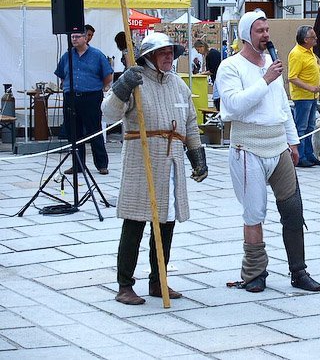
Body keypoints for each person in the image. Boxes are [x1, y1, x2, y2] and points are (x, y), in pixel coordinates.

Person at [215, 9, 320, 293]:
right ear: (246, 35)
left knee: (293, 208)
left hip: (278, 144)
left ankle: (299, 271)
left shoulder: (271, 65)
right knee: (254, 213)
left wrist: (293, 141)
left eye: (267, 30)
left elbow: (282, 105)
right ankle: (254, 273)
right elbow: (234, 105)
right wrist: (265, 80)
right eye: (259, 31)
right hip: (247, 146)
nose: (266, 35)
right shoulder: (230, 67)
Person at [102, 32, 208, 305]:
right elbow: (109, 113)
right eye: (162, 52)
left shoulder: (179, 85)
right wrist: (122, 86)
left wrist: (197, 157)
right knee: (135, 222)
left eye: (171, 52)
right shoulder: (135, 81)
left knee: (166, 223)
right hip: (142, 160)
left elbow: (190, 124)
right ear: (148, 56)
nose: (169, 56)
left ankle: (158, 280)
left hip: (171, 162)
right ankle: (125, 285)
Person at [54, 31, 112, 175]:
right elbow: (62, 75)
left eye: (77, 36)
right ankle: (78, 164)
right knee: (73, 132)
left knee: (94, 130)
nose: (74, 39)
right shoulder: (67, 56)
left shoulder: (97, 55)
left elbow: (108, 76)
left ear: (85, 38)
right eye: (72, 37)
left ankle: (101, 164)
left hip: (91, 97)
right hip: (71, 98)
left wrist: (96, 87)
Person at [288, 25, 320, 167]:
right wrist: (310, 87)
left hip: (312, 95)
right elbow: (292, 77)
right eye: (313, 37)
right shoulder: (296, 53)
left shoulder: (309, 51)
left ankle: (309, 154)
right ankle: (300, 156)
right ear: (305, 39)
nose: (316, 39)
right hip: (302, 96)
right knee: (301, 127)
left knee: (310, 126)